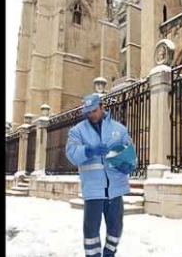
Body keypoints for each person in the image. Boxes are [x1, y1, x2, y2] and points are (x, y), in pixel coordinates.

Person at [66, 94, 137, 257]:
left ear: (102, 107)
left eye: (94, 110)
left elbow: (131, 153)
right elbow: (71, 153)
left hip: (116, 189)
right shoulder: (77, 131)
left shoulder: (119, 129)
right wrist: (89, 151)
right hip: (93, 190)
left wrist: (129, 165)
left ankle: (109, 253)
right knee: (91, 232)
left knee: (115, 229)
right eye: (88, 112)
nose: (91, 115)